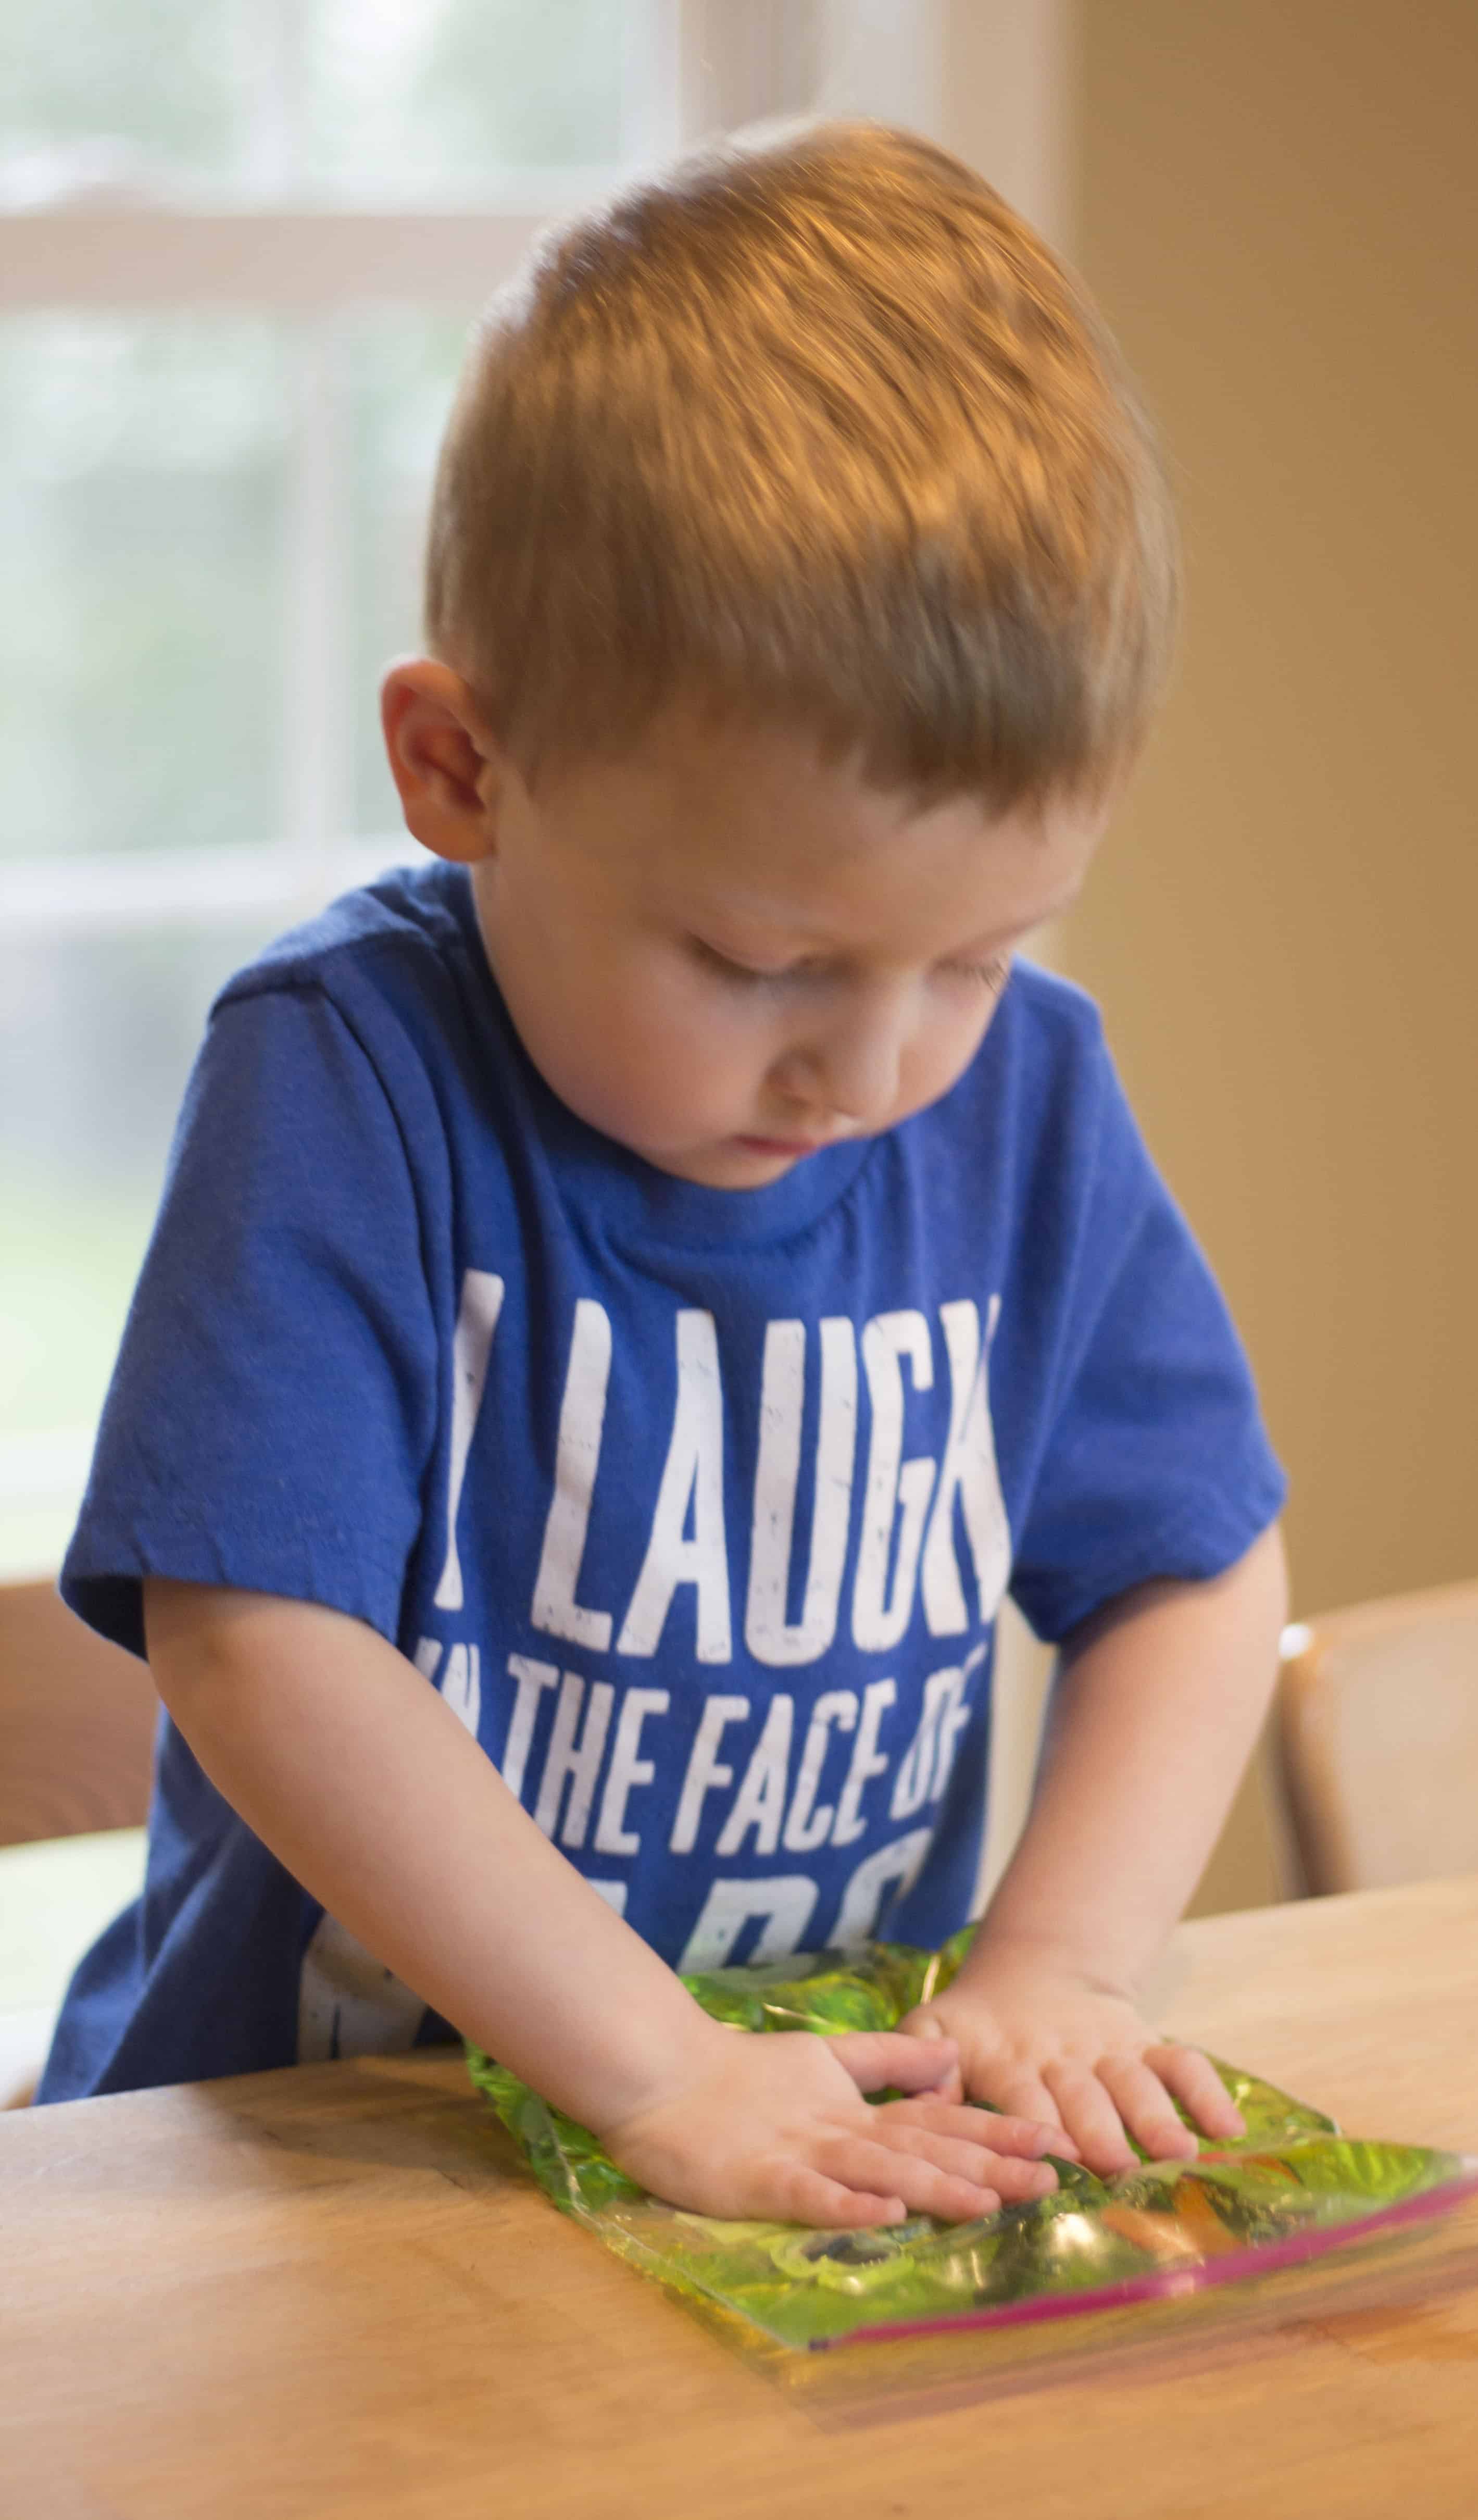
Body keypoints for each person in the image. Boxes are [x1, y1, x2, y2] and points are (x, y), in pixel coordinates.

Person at [41, 123, 1289, 2230]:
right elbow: (260, 1639)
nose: (875, 1065)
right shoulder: (349, 1077)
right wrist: (656, 2067)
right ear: (464, 769)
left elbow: (1197, 1571)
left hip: (799, 2166)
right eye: (762, 960)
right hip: (311, 2189)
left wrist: (1056, 1960)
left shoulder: (1029, 1111)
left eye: (982, 956)